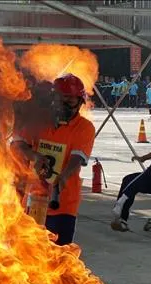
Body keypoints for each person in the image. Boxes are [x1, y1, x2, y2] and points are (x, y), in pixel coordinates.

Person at [11, 73, 95, 245]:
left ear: (80, 102)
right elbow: (18, 143)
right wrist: (35, 156)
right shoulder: (39, 120)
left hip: (63, 204)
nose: (66, 106)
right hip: (34, 201)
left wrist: (63, 177)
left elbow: (77, 158)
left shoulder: (84, 128)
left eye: (72, 101)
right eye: (63, 100)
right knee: (31, 253)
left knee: (58, 256)